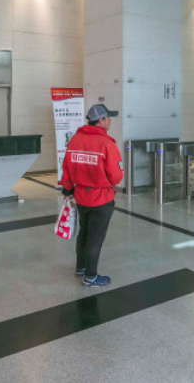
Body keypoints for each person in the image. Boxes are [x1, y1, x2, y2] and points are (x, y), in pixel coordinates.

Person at [60, 104, 123, 288]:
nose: (110, 121)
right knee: (95, 238)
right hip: (101, 198)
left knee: (84, 233)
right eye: (108, 118)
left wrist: (67, 188)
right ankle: (90, 277)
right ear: (101, 120)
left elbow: (67, 168)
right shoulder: (107, 144)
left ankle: (80, 267)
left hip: (81, 197)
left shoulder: (75, 140)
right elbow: (116, 176)